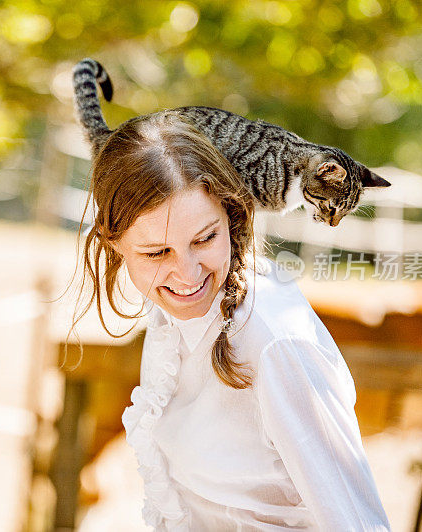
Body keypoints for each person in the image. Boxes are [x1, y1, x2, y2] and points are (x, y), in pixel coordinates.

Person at [69, 110, 391, 530]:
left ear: (233, 214)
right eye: (156, 253)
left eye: (205, 238)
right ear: (115, 246)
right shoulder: (172, 317)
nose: (188, 274)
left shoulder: (277, 344)